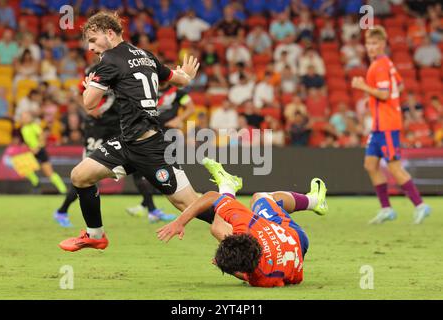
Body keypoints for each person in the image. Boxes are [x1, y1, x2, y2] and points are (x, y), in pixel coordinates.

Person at [58, 12, 213, 252]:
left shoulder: (109, 60)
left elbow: (89, 104)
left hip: (150, 147)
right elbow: (177, 79)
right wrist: (187, 76)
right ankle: (95, 235)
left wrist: (89, 86)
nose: (90, 48)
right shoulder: (145, 56)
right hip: (128, 143)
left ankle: (239, 230)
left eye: (92, 39)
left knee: (189, 204)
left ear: (109, 34)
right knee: (80, 175)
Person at [157, 158, 328, 287]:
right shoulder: (248, 224)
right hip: (293, 236)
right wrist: (179, 222)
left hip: (298, 251)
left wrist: (227, 267)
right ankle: (313, 201)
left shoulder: (262, 278)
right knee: (260, 197)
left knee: (217, 228)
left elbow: (246, 274)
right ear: (243, 235)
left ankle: (228, 185)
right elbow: (211, 197)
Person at [351, 26, 431, 225]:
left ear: (383, 44)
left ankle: (420, 205)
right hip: (379, 126)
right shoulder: (386, 64)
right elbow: (400, 85)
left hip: (387, 125)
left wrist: (363, 87)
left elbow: (385, 94)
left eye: (375, 43)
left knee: (394, 167)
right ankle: (386, 209)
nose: (371, 47)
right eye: (368, 43)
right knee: (370, 165)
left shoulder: (379, 66)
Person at [53, 63, 122, 228]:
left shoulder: (121, 68)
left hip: (116, 127)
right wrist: (88, 110)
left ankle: (149, 207)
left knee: (134, 164)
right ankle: (62, 211)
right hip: (96, 128)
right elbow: (77, 93)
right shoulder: (94, 71)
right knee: (86, 174)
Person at [126, 82, 195, 221]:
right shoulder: (149, 90)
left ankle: (150, 206)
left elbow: (191, 108)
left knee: (164, 170)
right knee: (141, 171)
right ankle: (148, 206)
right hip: (148, 134)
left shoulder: (178, 92)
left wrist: (179, 119)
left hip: (168, 136)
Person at [20, 111, 67, 195]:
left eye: (26, 116)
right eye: (23, 117)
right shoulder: (23, 129)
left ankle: (63, 190)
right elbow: (28, 141)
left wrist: (38, 147)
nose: (25, 118)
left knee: (48, 172)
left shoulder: (34, 126)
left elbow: (42, 137)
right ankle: (36, 183)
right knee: (23, 165)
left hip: (40, 151)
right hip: (31, 151)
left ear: (30, 118)